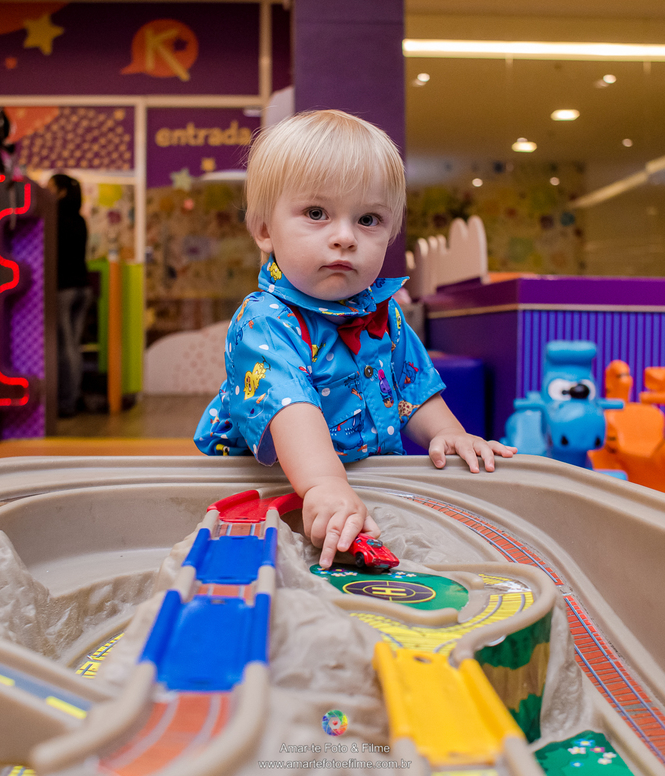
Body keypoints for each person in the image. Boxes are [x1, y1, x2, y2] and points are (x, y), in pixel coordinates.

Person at [194, 110, 514, 568]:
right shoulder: (265, 320)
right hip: (259, 494)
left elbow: (412, 389)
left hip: (353, 487)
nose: (344, 237)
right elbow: (291, 411)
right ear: (264, 229)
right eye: (317, 213)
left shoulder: (384, 314)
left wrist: (450, 434)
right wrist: (324, 484)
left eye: (368, 219)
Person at [51, 174, 92, 418]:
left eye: (51, 188)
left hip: (63, 288)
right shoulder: (79, 220)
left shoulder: (54, 220)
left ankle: (66, 402)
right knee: (73, 346)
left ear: (62, 191)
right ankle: (73, 396)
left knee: (64, 347)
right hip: (83, 287)